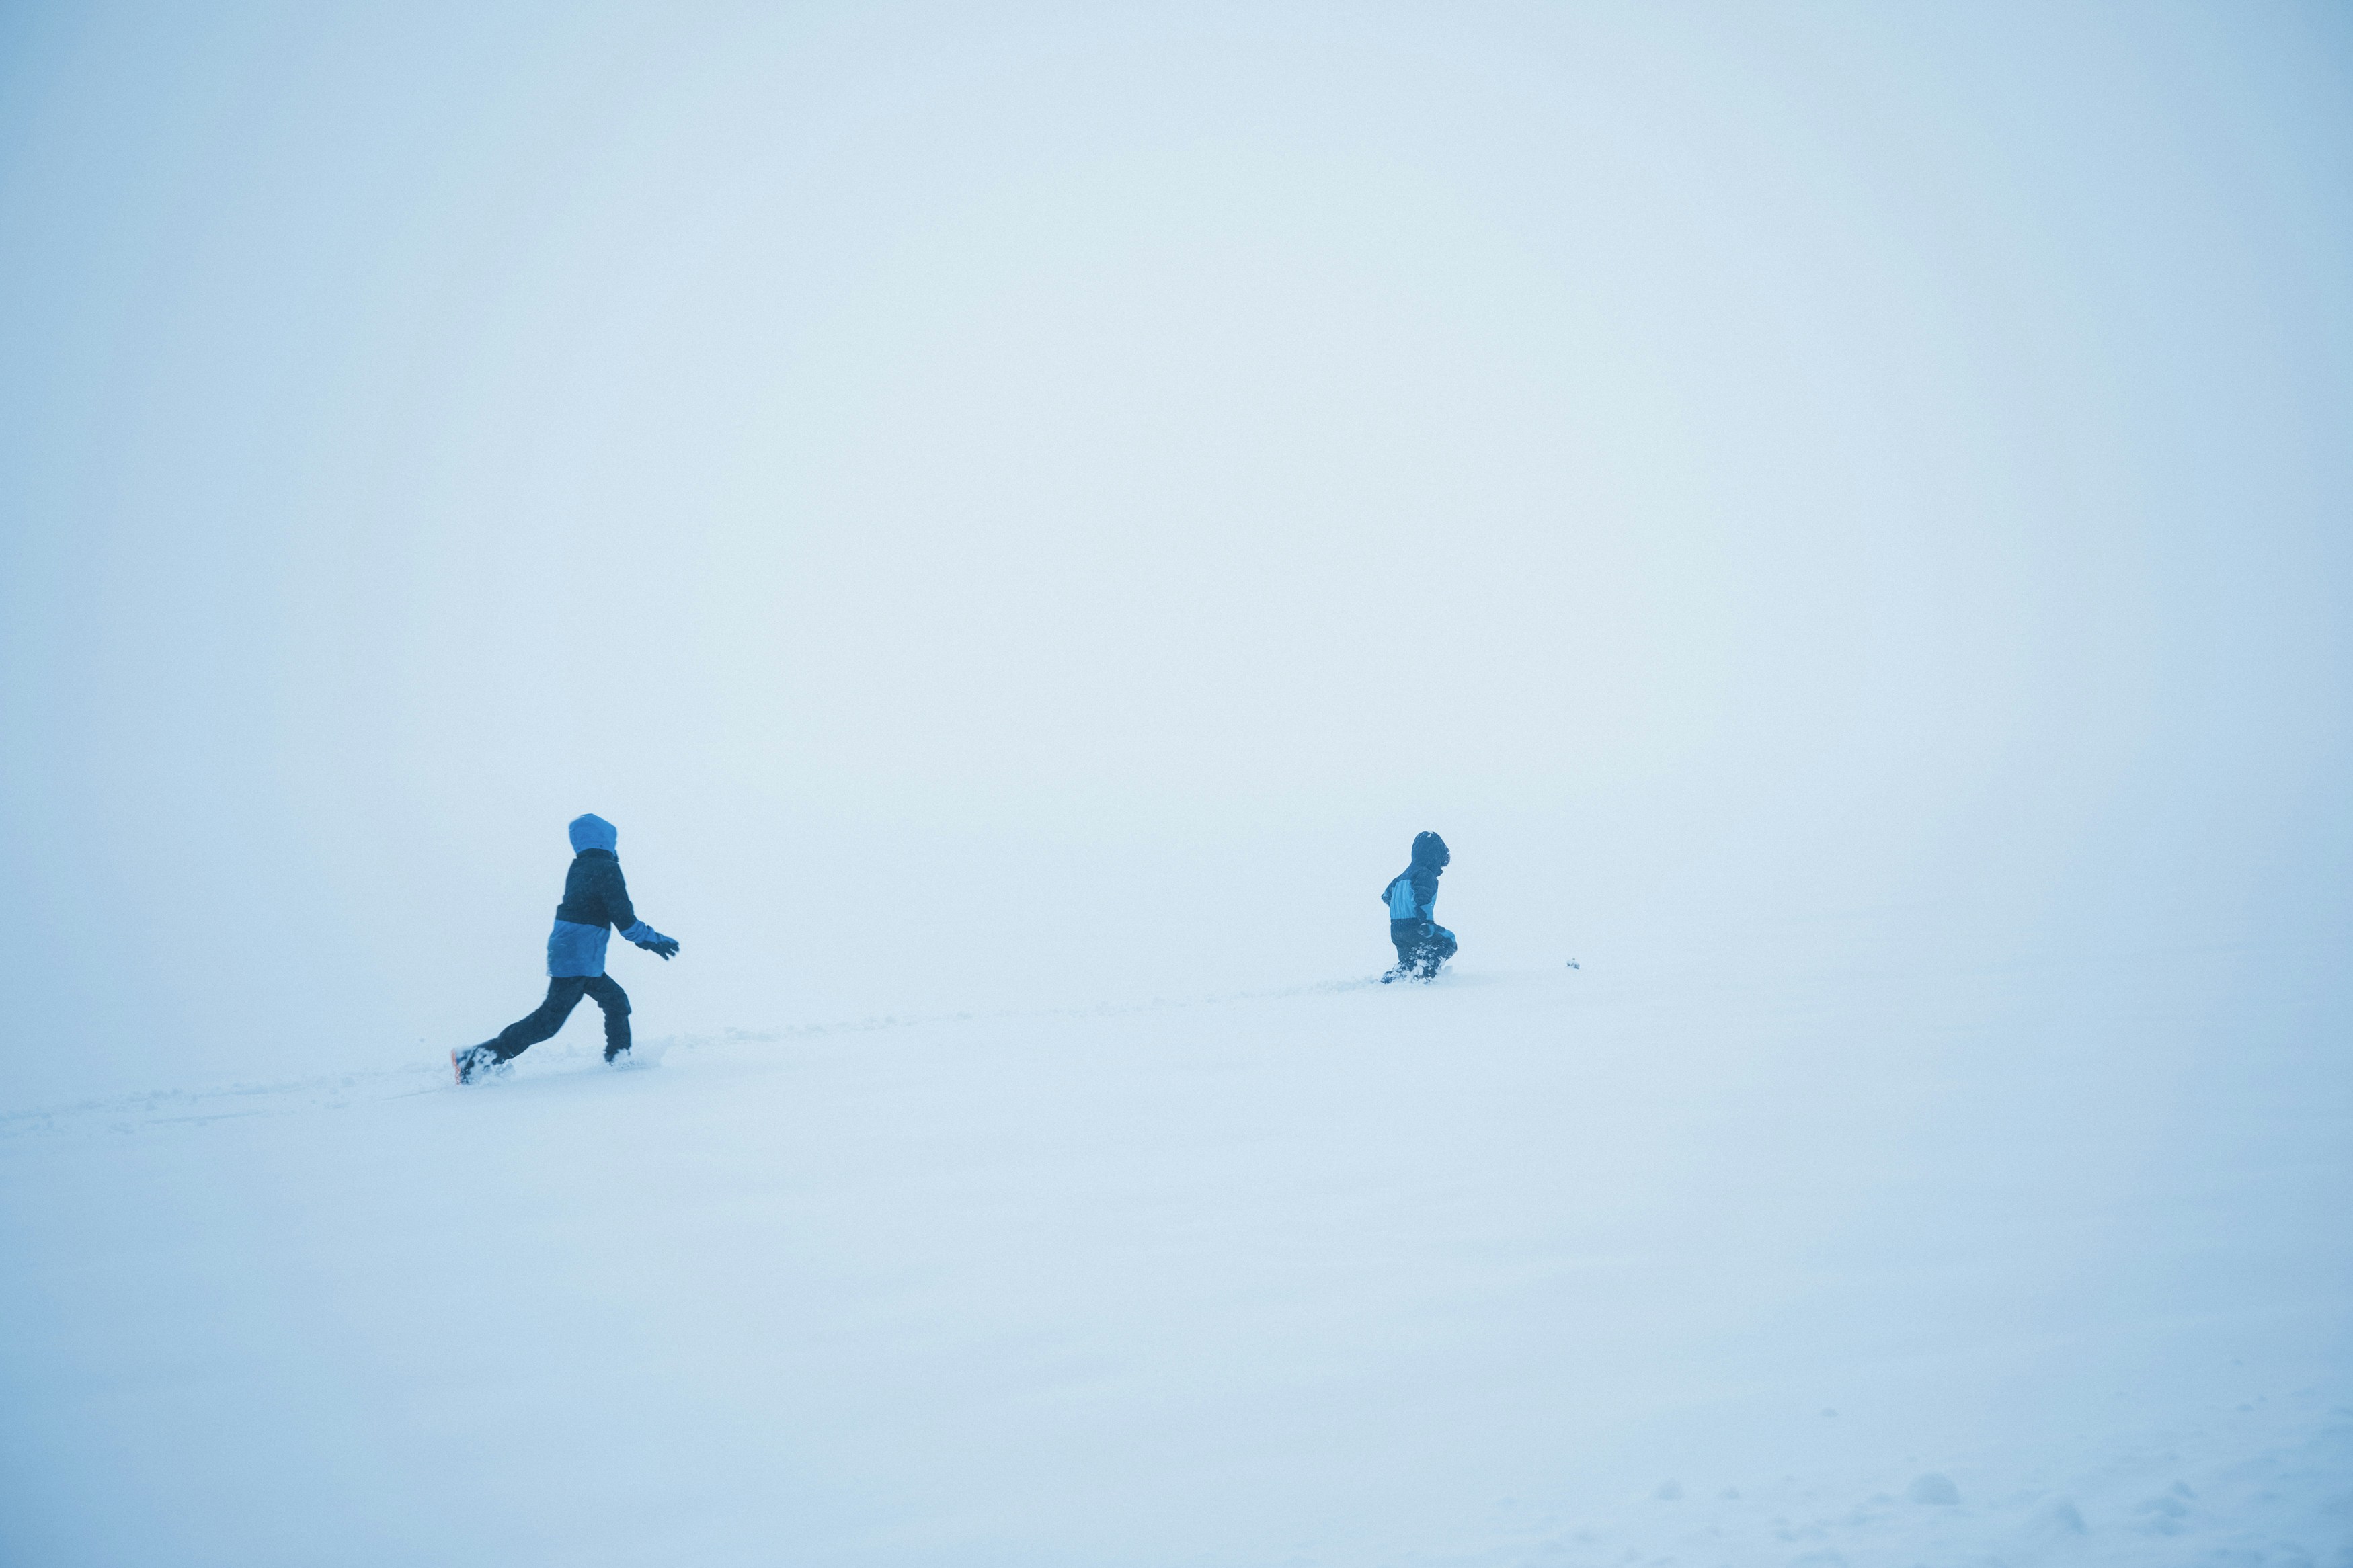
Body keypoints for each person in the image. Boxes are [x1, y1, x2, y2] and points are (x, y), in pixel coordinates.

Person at [454, 813, 680, 1083]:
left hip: (578, 953)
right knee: (548, 1022)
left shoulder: (582, 865)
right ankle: (480, 1057)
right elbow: (624, 919)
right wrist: (653, 939)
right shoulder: (605, 868)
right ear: (607, 840)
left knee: (616, 1001)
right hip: (578, 955)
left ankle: (619, 1057)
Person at [1380, 831, 1456, 982]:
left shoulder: (1401, 877)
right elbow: (1423, 900)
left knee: (1409, 960)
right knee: (1448, 940)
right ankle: (1427, 970)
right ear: (1435, 856)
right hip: (1417, 925)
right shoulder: (1425, 874)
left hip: (1396, 929)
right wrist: (1426, 922)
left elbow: (1386, 896)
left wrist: (1402, 907)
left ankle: (1397, 976)